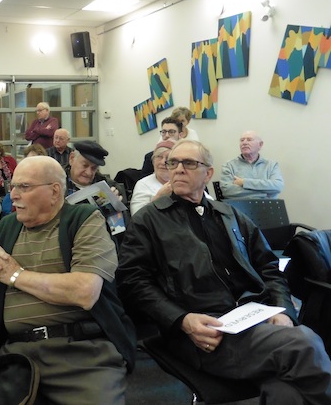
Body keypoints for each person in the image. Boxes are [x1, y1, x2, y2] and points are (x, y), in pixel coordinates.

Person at [117, 140, 331, 404]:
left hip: (254, 316)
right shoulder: (149, 220)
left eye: (189, 163)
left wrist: (283, 310)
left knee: (285, 387)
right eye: (173, 163)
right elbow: (133, 282)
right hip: (206, 330)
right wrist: (182, 320)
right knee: (304, 345)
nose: (178, 169)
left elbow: (269, 267)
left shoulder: (230, 215)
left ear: (208, 173)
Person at [0, 156, 136, 404]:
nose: (13, 195)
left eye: (24, 187)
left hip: (80, 352)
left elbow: (85, 292)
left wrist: (14, 275)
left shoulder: (84, 219)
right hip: (16, 353)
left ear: (54, 191)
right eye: (12, 187)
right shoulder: (8, 226)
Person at [220, 130, 284, 199]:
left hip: (267, 208)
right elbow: (227, 191)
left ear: (260, 144)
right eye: (242, 140)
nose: (244, 143)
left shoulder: (271, 165)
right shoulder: (228, 165)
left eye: (249, 140)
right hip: (238, 208)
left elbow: (278, 186)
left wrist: (244, 182)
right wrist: (264, 193)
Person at [131, 140, 174, 215]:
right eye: (159, 157)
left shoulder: (183, 181)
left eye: (168, 158)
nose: (163, 162)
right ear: (153, 161)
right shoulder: (143, 184)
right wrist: (159, 197)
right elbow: (137, 218)